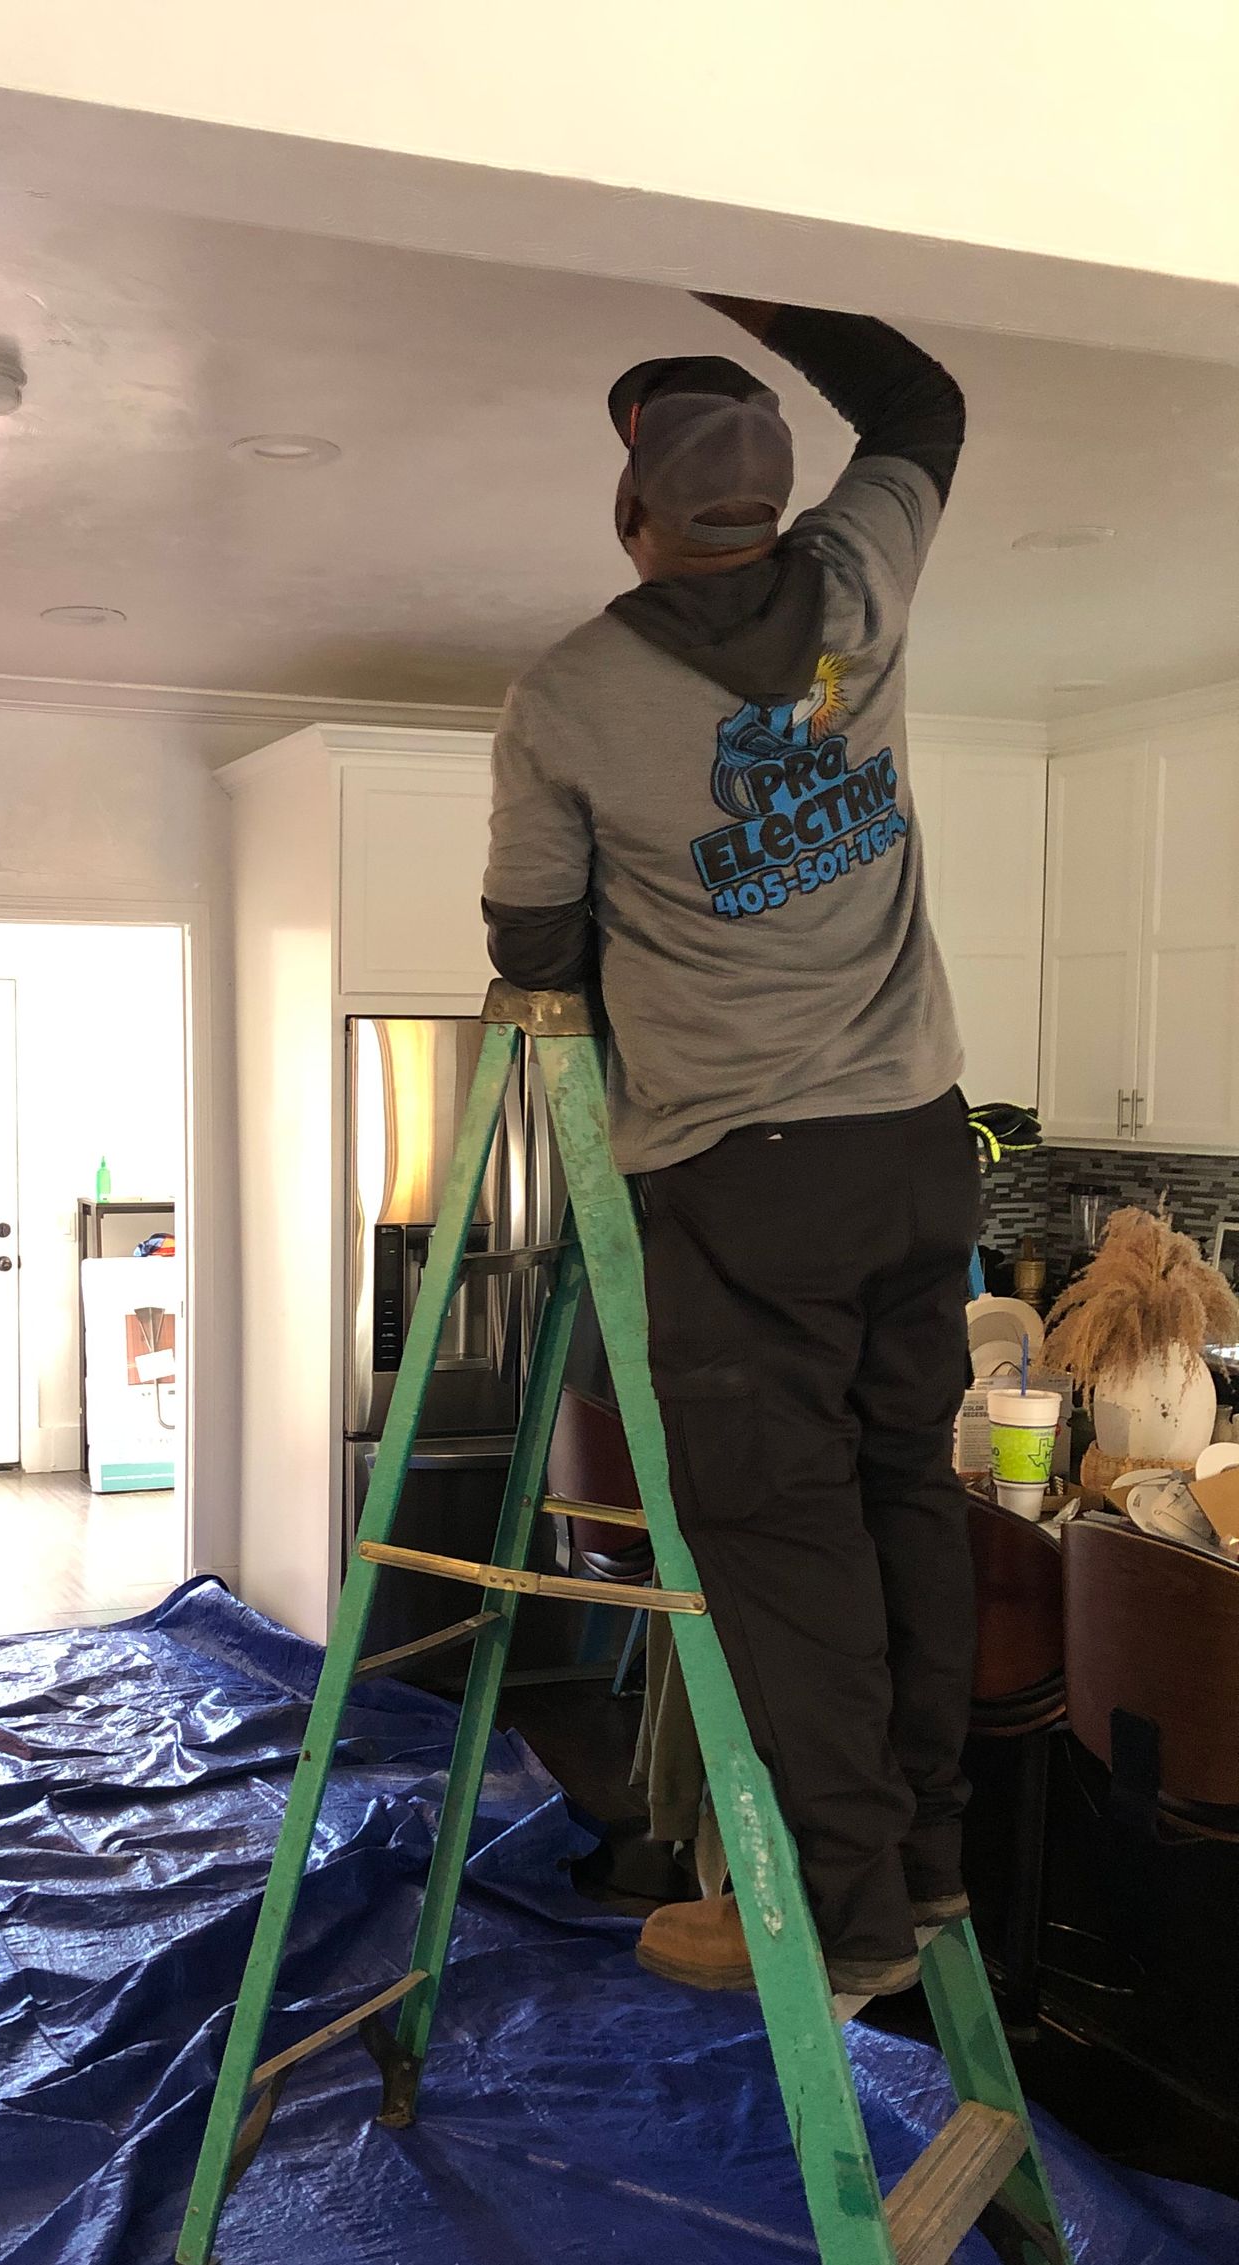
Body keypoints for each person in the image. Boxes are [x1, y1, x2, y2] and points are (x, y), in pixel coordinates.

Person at [482, 297, 975, 2001]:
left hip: (742, 1173)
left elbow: (534, 947)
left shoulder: (572, 694)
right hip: (918, 1143)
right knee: (905, 1494)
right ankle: (924, 1868)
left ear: (634, 518)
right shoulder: (861, 579)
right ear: (776, 502)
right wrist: (744, 272)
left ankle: (842, 1922)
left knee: (780, 1544)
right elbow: (917, 399)